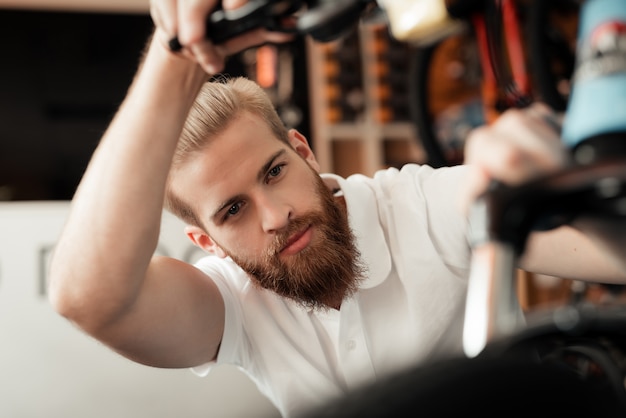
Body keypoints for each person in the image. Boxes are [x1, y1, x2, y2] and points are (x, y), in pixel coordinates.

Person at [48, 1, 626, 417]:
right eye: (232, 212)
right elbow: (88, 299)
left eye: (274, 172)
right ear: (208, 243)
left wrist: (562, 189)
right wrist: (176, 56)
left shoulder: (425, 204)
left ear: (302, 151)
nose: (274, 216)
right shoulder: (231, 304)